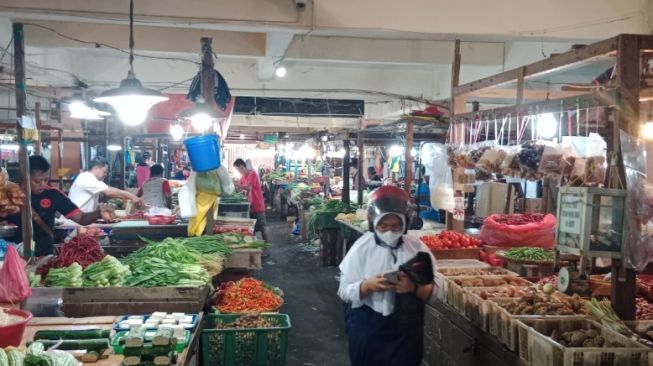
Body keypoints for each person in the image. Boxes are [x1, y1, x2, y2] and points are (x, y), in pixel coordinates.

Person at [338, 186, 441, 366]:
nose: (389, 231)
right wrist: (366, 286)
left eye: (395, 226)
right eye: (383, 226)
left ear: (406, 224)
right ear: (373, 223)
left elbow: (438, 291)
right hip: (367, 327)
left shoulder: (417, 249)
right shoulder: (361, 249)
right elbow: (344, 291)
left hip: (405, 332)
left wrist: (414, 287)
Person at [6, 156, 115, 256]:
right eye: (37, 181)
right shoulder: (7, 196)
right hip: (11, 255)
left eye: (45, 180)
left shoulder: (53, 195)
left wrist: (98, 213)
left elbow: (81, 218)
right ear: (24, 178)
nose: (43, 185)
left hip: (44, 253)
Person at [69, 157, 140, 213]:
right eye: (104, 172)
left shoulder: (89, 178)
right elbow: (109, 191)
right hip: (74, 223)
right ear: (96, 168)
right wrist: (132, 196)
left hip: (81, 221)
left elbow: (108, 188)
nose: (105, 175)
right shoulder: (87, 178)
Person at [233, 158, 268, 242]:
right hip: (250, 206)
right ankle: (255, 248)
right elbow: (239, 189)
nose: (238, 171)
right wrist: (235, 187)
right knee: (252, 228)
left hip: (258, 205)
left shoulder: (252, 174)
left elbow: (248, 187)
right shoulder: (242, 177)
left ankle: (267, 247)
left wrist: (237, 185)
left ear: (241, 166)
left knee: (262, 227)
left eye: (238, 169)